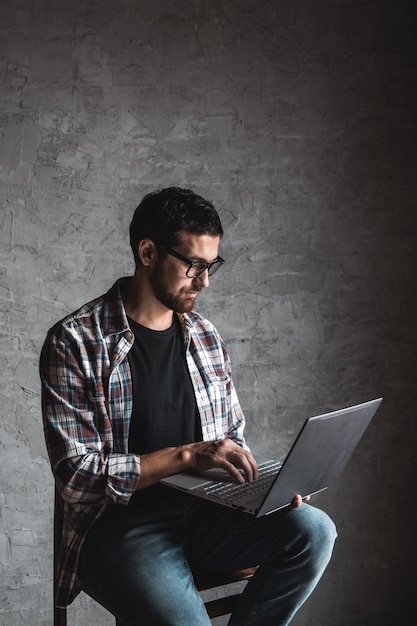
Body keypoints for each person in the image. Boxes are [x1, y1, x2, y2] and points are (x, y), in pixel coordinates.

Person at [40, 187, 337, 625]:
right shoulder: (76, 341)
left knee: (314, 531)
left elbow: (230, 437)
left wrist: (268, 488)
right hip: (120, 528)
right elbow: (76, 477)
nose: (205, 280)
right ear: (147, 252)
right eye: (194, 265)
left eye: (211, 264)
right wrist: (185, 455)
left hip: (208, 515)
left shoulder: (204, 335)